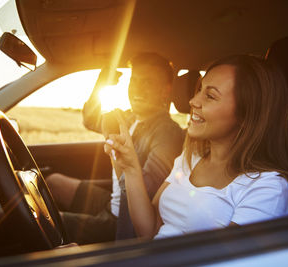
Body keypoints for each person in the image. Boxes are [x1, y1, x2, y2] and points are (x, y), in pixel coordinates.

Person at [104, 55, 288, 239]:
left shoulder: (268, 188)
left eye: (210, 96)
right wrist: (130, 169)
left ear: (247, 115)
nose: (193, 101)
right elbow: (150, 230)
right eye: (199, 90)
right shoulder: (190, 159)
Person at [46, 52, 184, 244]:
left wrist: (122, 160)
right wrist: (101, 84)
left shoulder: (168, 134)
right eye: (134, 80)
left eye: (147, 82)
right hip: (113, 202)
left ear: (165, 91)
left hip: (124, 221)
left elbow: (147, 190)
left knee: (43, 223)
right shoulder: (126, 118)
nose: (137, 88)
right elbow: (91, 119)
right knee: (52, 182)